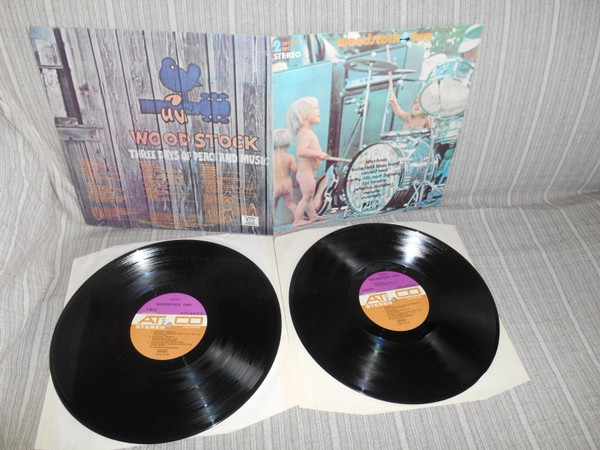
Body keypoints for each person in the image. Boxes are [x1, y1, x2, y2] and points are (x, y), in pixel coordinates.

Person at [286, 97, 328, 226]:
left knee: (309, 196)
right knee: (306, 197)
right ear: (303, 114)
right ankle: (297, 220)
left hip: (308, 172)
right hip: (305, 173)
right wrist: (318, 154)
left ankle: (312, 216)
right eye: (315, 108)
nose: (319, 111)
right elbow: (301, 151)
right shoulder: (305, 133)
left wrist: (314, 169)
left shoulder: (306, 132)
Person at [272, 128, 300, 222]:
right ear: (288, 143)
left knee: (273, 205)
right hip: (287, 184)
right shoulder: (289, 157)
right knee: (290, 204)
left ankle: (271, 222)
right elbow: (295, 169)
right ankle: (298, 220)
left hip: (275, 184)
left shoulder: (271, 157)